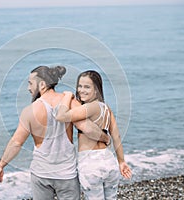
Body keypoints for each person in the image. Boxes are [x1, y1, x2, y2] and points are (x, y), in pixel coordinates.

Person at [0, 66, 110, 200]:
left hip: (41, 174)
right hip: (67, 174)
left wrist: (1, 165)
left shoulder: (29, 111)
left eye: (30, 83)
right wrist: (105, 138)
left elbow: (16, 142)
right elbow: (88, 128)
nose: (28, 88)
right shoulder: (70, 102)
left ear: (42, 84)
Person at [56, 70, 132, 200]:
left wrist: (67, 96)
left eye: (87, 87)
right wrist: (121, 161)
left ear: (96, 90)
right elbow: (116, 137)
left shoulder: (91, 107)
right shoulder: (106, 109)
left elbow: (61, 116)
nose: (81, 90)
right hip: (109, 162)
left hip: (90, 165)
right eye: (79, 86)